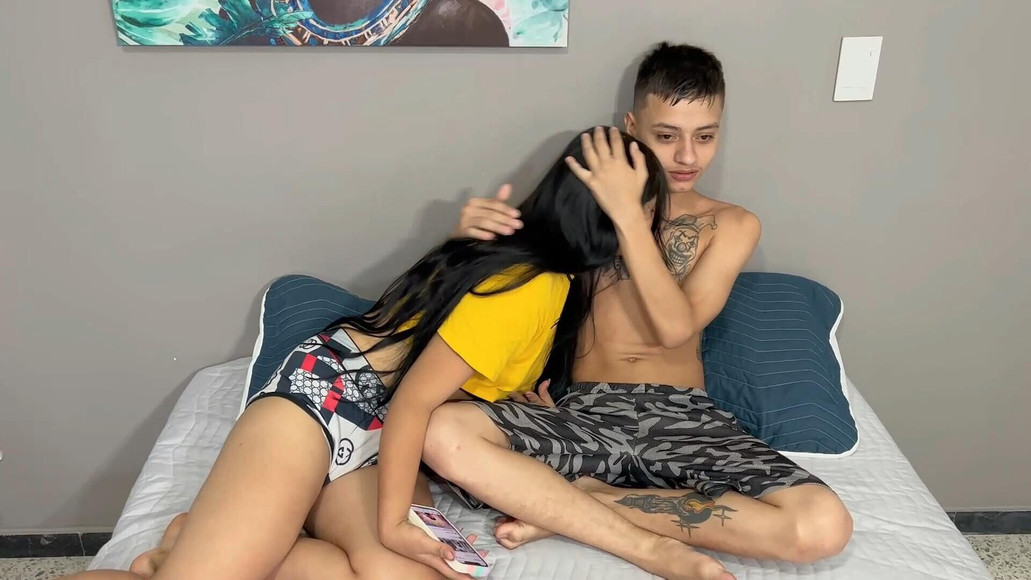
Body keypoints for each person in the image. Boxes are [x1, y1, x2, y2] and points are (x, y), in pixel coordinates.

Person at [65, 130, 675, 580]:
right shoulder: (531, 283)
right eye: (640, 207)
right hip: (323, 403)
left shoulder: (546, 279)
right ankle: (200, 554)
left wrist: (518, 402)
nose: (646, 223)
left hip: (379, 440)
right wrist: (391, 526)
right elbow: (414, 401)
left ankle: (210, 544)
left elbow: (459, 367)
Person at [420, 42, 854, 577]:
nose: (687, 157)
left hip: (685, 419)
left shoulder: (732, 224)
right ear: (631, 127)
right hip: (581, 413)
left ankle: (579, 503)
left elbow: (675, 327)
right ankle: (600, 516)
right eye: (666, 136)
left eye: (705, 136)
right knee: (440, 430)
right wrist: (462, 238)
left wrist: (629, 214)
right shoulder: (584, 209)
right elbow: (504, 290)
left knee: (821, 525)